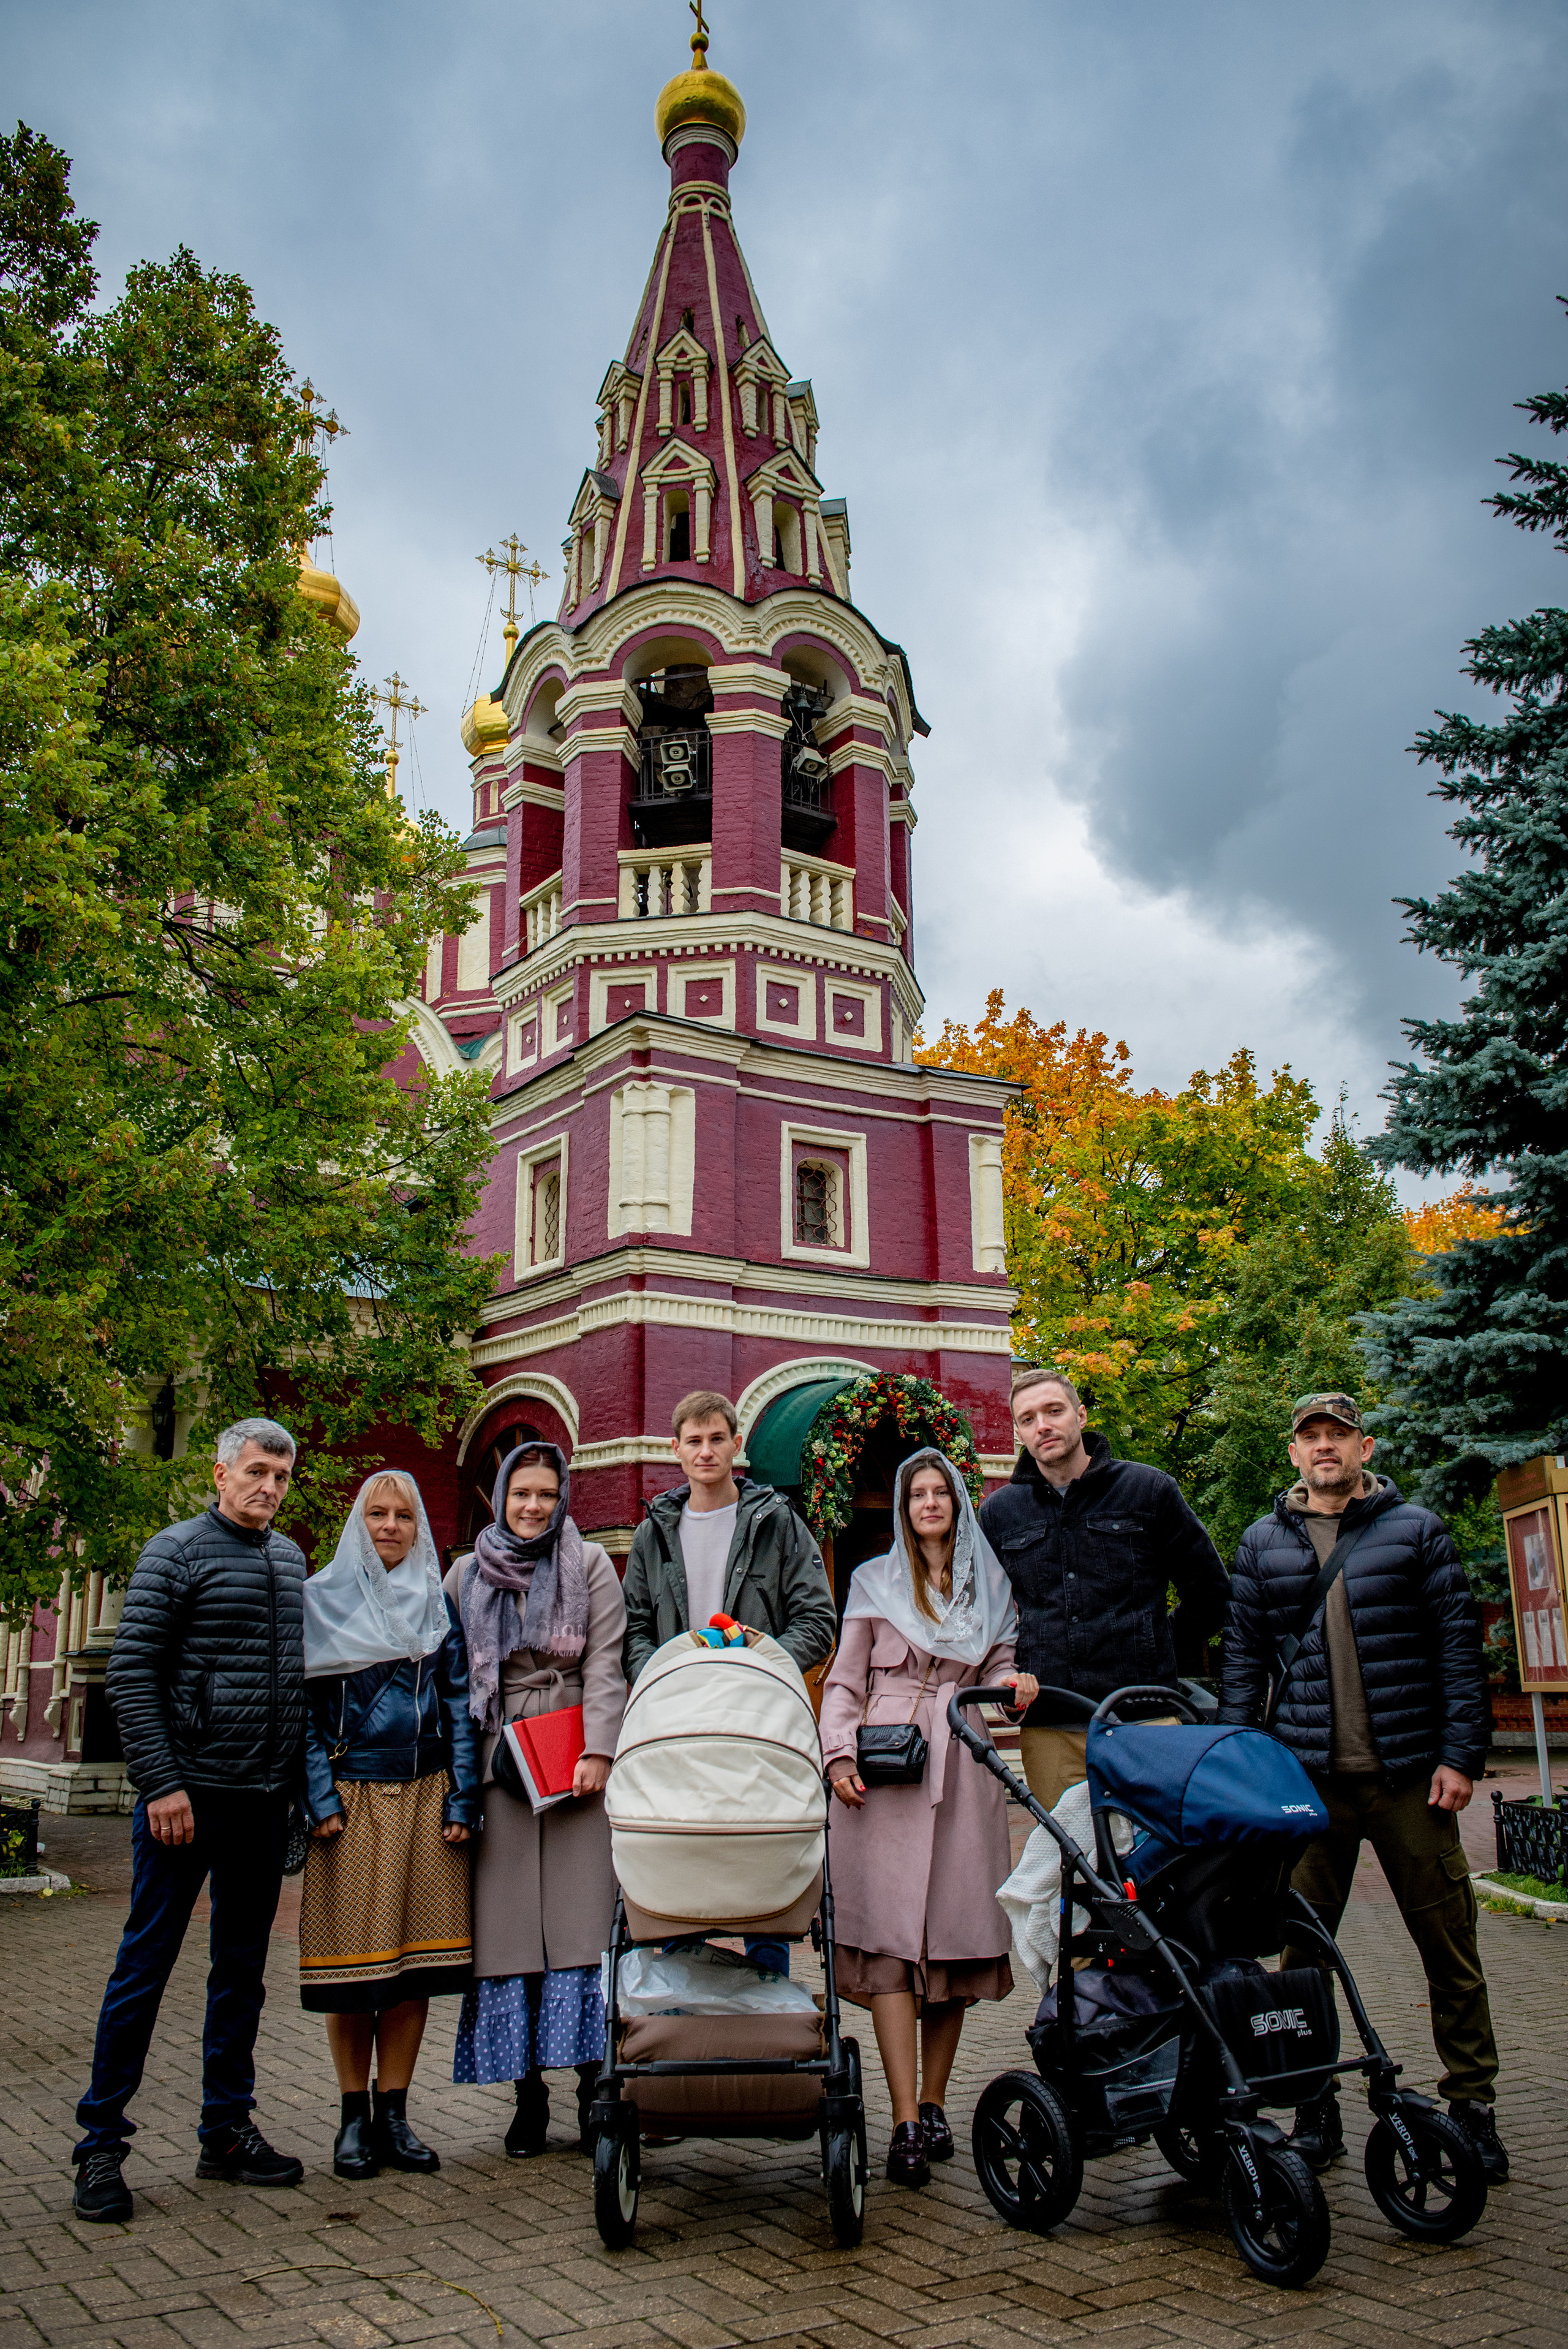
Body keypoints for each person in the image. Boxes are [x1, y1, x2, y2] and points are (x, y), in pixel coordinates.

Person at [1219, 1391, 1506, 2182]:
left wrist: (1461, 1756)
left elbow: (1457, 1649)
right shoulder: (1262, 1542)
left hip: (1411, 1776)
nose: (1324, 1448)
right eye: (1310, 1437)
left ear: (1365, 1448)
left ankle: (1473, 2107)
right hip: (1305, 1783)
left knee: (1448, 1945)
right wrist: (1239, 1765)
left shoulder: (1416, 1531)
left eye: (1337, 1436)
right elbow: (1241, 1660)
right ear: (1293, 1453)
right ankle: (1316, 2106)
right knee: (1303, 1957)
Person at [72, 1418, 308, 2224]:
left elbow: (293, 1686)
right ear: (220, 1472)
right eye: (255, 1471)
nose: (268, 1487)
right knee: (144, 1968)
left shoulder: (287, 1558)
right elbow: (132, 1675)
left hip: (257, 1804)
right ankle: (100, 2144)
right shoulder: (174, 1551)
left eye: (280, 1475)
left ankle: (227, 2130)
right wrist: (162, 1785)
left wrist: (291, 1794)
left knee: (241, 1974)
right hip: (182, 1804)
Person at [821, 1450, 1038, 2188]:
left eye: (940, 1492)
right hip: (885, 1771)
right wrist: (838, 1758)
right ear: (903, 1509)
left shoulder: (991, 1587)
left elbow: (1001, 1672)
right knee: (888, 1945)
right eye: (916, 1494)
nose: (928, 1503)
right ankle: (905, 2118)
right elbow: (844, 1684)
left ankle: (939, 2100)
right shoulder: (874, 1583)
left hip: (964, 1767)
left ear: (957, 1503)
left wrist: (1016, 1685)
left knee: (953, 1942)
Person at [446, 1442, 626, 2158]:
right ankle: (527, 2101)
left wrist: (599, 1748)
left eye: (546, 1495)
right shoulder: (463, 1574)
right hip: (501, 1766)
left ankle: (591, 2091)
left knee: (581, 1934)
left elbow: (608, 1663)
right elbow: (451, 1680)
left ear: (562, 1499)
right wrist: (469, 1774)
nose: (533, 1506)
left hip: (575, 1761)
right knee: (510, 1935)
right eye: (521, 1493)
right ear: (499, 1496)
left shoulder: (588, 1565)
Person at [300, 1470, 480, 2180]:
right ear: (357, 1522)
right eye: (376, 1514)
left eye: (403, 1515)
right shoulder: (321, 1602)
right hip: (351, 1803)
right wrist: (319, 1800)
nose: (389, 1526)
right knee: (353, 1970)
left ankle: (396, 2114)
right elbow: (303, 1718)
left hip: (427, 1794)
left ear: (419, 1528)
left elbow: (461, 1706)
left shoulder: (436, 1609)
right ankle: (352, 2119)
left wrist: (463, 1800)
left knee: (410, 1969)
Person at [620, 1387, 836, 1974]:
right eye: (695, 1441)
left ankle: (770, 1992)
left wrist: (759, 1668)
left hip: (756, 1721)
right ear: (677, 1450)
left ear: (737, 1444)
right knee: (681, 1851)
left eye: (718, 1439)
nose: (707, 1451)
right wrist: (664, 1677)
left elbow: (818, 1620)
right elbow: (633, 1629)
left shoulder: (777, 1524)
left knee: (757, 1851)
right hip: (678, 1722)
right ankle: (678, 1995)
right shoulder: (655, 1534)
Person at [979, 1367, 1230, 1810]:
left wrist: (1158, 1647)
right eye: (1029, 1418)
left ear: (1080, 1414)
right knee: (1071, 1864)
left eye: (1054, 1411)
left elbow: (1211, 1591)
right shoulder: (1000, 1513)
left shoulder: (1148, 1490)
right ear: (1019, 1431)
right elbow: (984, 1614)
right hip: (1051, 1726)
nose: (1044, 1425)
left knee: (1160, 1858)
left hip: (1145, 1717)